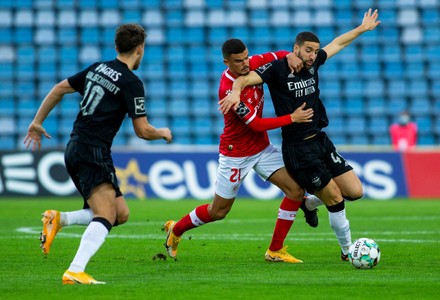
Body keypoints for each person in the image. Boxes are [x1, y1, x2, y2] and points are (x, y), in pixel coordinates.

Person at [219, 8, 380, 261]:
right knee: (336, 198)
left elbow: (337, 43)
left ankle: (309, 203)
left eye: (315, 51)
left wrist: (362, 28)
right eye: (308, 50)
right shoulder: (276, 69)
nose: (313, 56)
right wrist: (235, 92)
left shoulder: (313, 62)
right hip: (298, 149)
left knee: (355, 192)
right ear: (296, 48)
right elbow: (243, 79)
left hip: (320, 141)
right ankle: (348, 251)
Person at [24, 23, 172, 284]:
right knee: (105, 215)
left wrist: (37, 121)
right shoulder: (131, 82)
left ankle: (59, 219)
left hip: (76, 146)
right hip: (92, 151)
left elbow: (59, 88)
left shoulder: (97, 68)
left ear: (116, 46)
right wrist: (162, 132)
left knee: (120, 214)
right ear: (140, 49)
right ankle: (75, 270)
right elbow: (142, 130)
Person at [163, 38, 322, 264]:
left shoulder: (253, 63)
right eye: (238, 61)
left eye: (247, 57)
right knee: (218, 211)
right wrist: (291, 118)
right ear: (226, 62)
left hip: (262, 148)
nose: (245, 64)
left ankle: (275, 250)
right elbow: (256, 124)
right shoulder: (227, 90)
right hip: (235, 153)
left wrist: (290, 55)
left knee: (295, 191)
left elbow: (276, 55)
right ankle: (176, 229)